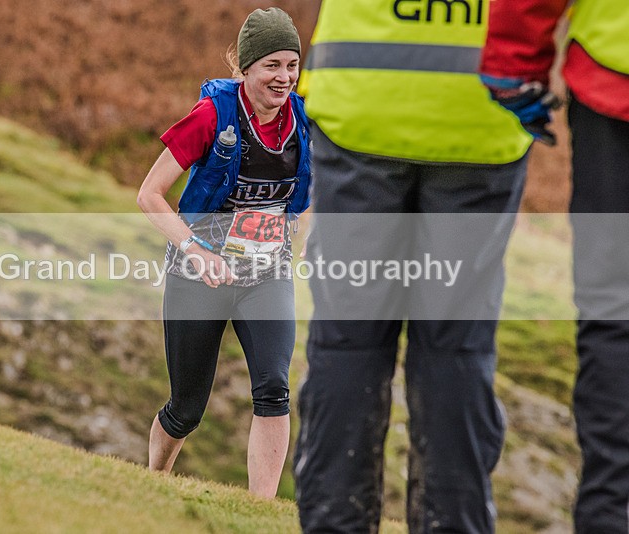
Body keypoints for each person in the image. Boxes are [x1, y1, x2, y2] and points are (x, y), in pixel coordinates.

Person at [293, 0, 534, 531]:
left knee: (348, 339)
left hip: (361, 105)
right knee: (456, 345)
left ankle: (335, 521)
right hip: (482, 114)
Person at [137, 7, 311, 499]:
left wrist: (290, 238)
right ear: (246, 68)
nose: (284, 78)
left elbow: (317, 190)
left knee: (274, 390)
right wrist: (193, 248)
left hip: (266, 274)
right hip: (200, 275)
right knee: (186, 407)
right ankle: (152, 484)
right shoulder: (213, 115)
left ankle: (260, 510)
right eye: (271, 66)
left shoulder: (306, 121)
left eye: (292, 65)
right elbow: (150, 195)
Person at [480, 2, 629, 532]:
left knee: (614, 315)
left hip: (615, 89)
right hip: (611, 90)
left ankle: (611, 518)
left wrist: (516, 64)